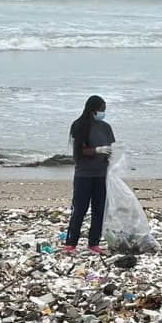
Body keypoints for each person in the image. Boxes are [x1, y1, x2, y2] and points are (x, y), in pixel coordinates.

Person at [66, 95, 115, 254]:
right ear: (93, 109)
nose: (103, 112)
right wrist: (96, 150)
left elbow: (111, 148)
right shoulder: (79, 125)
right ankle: (71, 243)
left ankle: (94, 242)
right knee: (80, 208)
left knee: (99, 209)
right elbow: (78, 151)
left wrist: (111, 159)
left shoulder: (106, 128)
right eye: (101, 110)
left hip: (101, 174)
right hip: (84, 174)